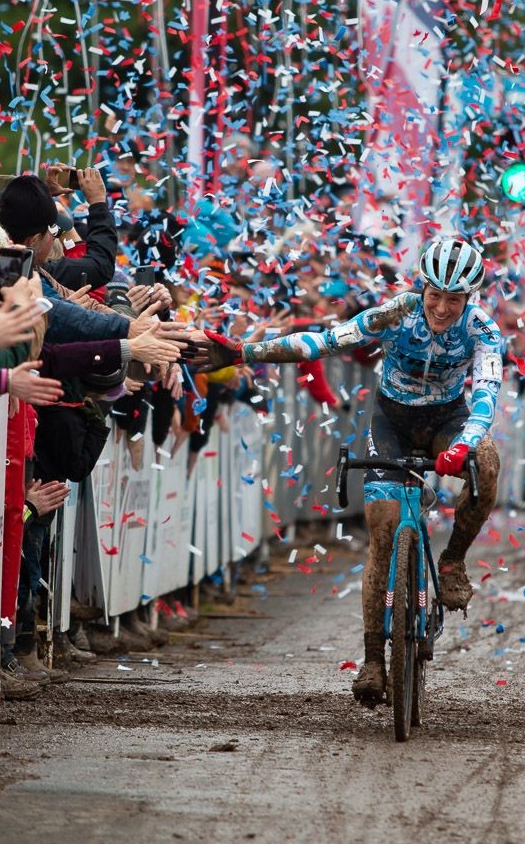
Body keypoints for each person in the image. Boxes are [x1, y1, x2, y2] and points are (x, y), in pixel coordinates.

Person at [195, 236, 504, 707]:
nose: (441, 308)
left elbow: (485, 396)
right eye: (434, 295)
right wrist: (243, 353)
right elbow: (321, 343)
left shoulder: (483, 331)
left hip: (448, 420)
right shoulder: (396, 313)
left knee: (487, 461)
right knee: (383, 530)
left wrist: (462, 444)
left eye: (454, 299)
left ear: (470, 298)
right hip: (392, 420)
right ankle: (374, 660)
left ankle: (453, 560)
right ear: (422, 288)